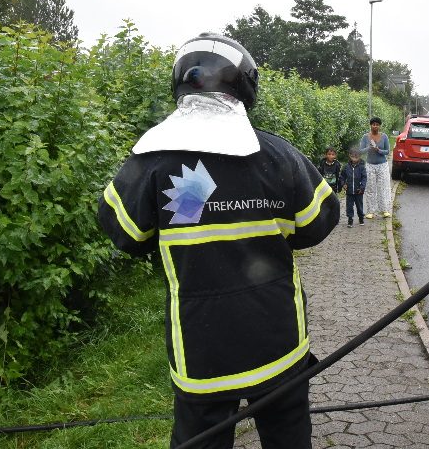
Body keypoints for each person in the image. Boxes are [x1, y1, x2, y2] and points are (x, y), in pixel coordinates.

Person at [97, 32, 339, 448]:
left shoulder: (153, 161)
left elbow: (124, 233)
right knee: (289, 438)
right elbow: (320, 222)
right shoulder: (279, 155)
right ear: (246, 85)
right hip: (279, 345)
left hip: (202, 353)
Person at [359, 117, 392, 219]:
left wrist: (379, 150)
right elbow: (360, 151)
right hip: (370, 165)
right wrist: (369, 148)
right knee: (370, 188)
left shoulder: (384, 136)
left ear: (379, 126)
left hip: (382, 165)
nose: (375, 126)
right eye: (373, 124)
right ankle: (370, 211)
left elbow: (387, 151)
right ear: (370, 125)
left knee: (383, 187)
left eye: (377, 124)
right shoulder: (365, 137)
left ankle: (384, 210)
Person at [339, 147, 367, 227]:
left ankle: (361, 218)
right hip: (349, 191)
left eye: (356, 157)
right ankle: (350, 219)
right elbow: (342, 176)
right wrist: (343, 183)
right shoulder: (346, 167)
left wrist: (362, 187)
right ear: (349, 156)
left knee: (359, 205)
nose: (354, 159)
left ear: (359, 156)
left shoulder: (362, 167)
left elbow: (364, 178)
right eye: (353, 156)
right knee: (349, 206)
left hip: (359, 191)